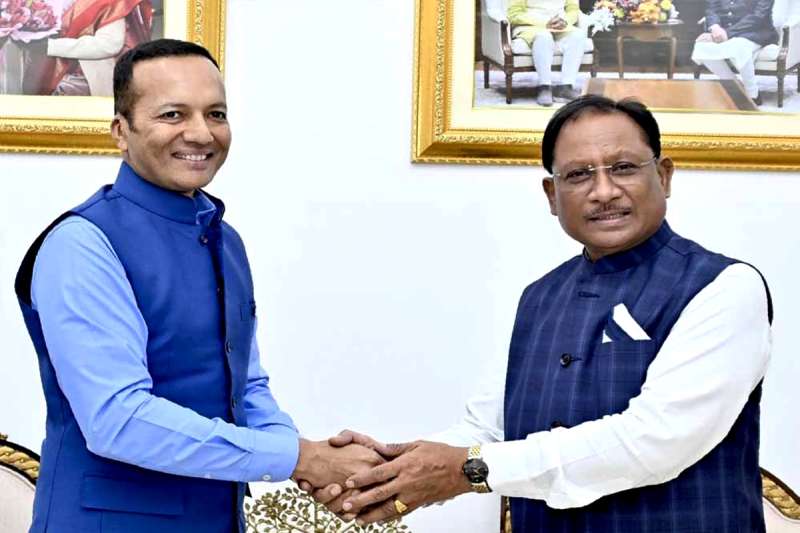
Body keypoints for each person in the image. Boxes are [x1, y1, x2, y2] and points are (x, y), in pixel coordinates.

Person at [305, 96, 773, 531]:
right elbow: (488, 428)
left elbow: (654, 440)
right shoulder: (540, 297)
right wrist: (384, 472)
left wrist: (466, 470)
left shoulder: (724, 287)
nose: (603, 191)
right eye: (579, 175)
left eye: (624, 168)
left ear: (664, 176)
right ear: (552, 195)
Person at [14, 38, 382, 533]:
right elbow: (118, 419)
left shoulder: (224, 239)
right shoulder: (82, 243)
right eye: (173, 114)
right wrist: (299, 457)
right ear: (121, 131)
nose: (201, 133)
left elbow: (245, 385)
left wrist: (307, 458)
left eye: (216, 114)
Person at [27, 0, 153, 96]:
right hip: (45, 74)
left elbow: (109, 44)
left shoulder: (110, 2)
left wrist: (51, 46)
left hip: (87, 82)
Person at [691, 0, 778, 105]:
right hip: (724, 32)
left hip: (755, 32)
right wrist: (715, 28)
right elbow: (712, 9)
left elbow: (758, 17)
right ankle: (733, 85)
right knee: (701, 46)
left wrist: (727, 33)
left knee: (739, 47)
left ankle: (753, 94)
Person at [507, 0, 585, 106]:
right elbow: (514, 14)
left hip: (560, 26)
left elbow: (573, 9)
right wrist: (544, 22)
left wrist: (565, 21)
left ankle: (566, 87)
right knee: (544, 36)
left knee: (578, 35)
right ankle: (544, 87)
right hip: (531, 26)